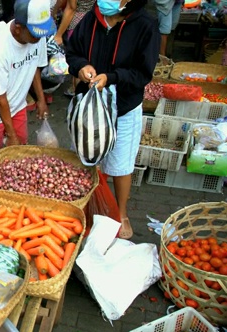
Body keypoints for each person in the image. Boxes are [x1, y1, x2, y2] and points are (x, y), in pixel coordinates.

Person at [66, 0, 160, 239]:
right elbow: (72, 52)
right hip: (89, 107)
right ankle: (85, 207)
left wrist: (112, 77)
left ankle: (122, 213)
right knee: (86, 158)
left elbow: (142, 73)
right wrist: (82, 67)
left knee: (121, 164)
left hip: (124, 105)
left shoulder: (145, 26)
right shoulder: (91, 19)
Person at [0, 0, 53, 148]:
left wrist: (41, 99)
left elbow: (34, 67)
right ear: (18, 28)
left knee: (20, 148)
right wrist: (11, 134)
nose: (40, 39)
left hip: (17, 103)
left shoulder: (37, 37)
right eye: (35, 35)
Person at [54, 0, 95, 96]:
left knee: (78, 62)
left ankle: (77, 92)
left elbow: (71, 8)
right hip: (92, 22)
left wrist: (59, 34)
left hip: (77, 23)